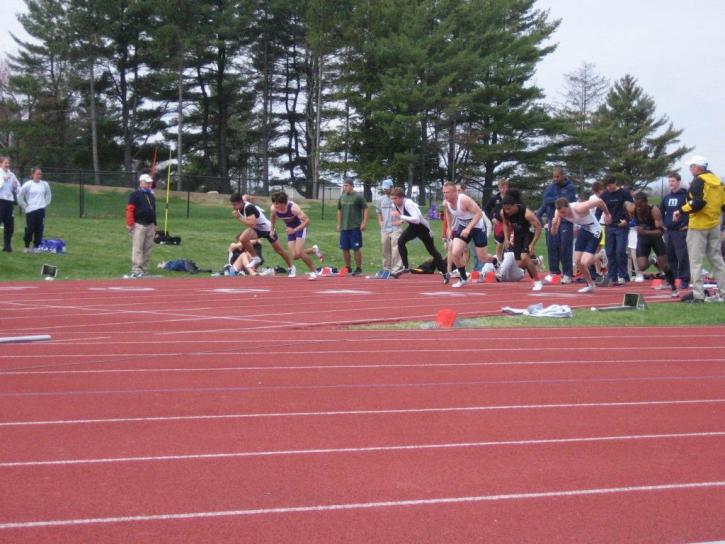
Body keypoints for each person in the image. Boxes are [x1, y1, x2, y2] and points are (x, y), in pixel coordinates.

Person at [674, 155, 725, 303]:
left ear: (698, 167)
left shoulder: (698, 181)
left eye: (692, 166)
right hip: (715, 224)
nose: (690, 169)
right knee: (717, 260)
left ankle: (698, 295)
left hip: (698, 226)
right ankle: (723, 292)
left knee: (696, 261)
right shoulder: (718, 182)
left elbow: (698, 203)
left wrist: (680, 210)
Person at [552, 196, 611, 293]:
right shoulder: (558, 213)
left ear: (568, 207)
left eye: (564, 212)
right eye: (560, 213)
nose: (562, 215)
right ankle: (590, 285)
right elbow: (554, 233)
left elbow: (599, 201)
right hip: (584, 230)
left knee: (585, 262)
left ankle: (601, 254)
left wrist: (607, 214)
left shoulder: (579, 208)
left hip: (595, 230)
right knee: (578, 262)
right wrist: (554, 225)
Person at [230, 193, 296, 276]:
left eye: (235, 205)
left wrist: (239, 217)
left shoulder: (249, 208)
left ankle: (291, 267)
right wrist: (252, 197)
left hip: (267, 229)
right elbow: (245, 196)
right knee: (242, 239)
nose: (234, 207)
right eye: (232, 205)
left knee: (279, 250)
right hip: (257, 229)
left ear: (240, 202)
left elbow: (252, 224)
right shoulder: (242, 202)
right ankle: (255, 258)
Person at [626, 193, 678, 297]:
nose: (639, 208)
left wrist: (645, 232)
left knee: (665, 265)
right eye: (637, 205)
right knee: (641, 266)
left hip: (655, 238)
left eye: (640, 205)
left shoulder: (654, 211)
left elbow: (661, 231)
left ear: (646, 202)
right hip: (643, 239)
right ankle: (653, 260)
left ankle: (673, 287)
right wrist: (629, 221)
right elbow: (625, 204)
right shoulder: (632, 208)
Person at [389, 187, 447, 280]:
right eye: (392, 198)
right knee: (400, 241)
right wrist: (401, 221)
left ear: (401, 198)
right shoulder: (394, 205)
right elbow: (408, 216)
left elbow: (417, 219)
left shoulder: (408, 203)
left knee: (432, 251)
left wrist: (400, 216)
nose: (393, 201)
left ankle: (445, 272)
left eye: (395, 198)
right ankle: (406, 267)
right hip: (413, 227)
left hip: (423, 228)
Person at [442, 181, 492, 288]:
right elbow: (448, 213)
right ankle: (464, 278)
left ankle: (495, 261)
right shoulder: (446, 202)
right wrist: (450, 228)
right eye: (444, 192)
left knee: (483, 257)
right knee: (455, 252)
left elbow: (478, 213)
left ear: (455, 192)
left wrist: (469, 228)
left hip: (477, 226)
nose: (445, 195)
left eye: (448, 192)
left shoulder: (464, 200)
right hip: (463, 226)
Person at [269, 191, 323, 277]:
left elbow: (307, 221)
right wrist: (272, 229)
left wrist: (295, 230)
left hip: (300, 227)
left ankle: (315, 271)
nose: (275, 206)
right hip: (290, 230)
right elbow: (272, 216)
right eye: (274, 203)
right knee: (295, 256)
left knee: (300, 252)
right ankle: (313, 250)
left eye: (277, 204)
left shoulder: (293, 208)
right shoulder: (273, 208)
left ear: (284, 203)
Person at [539, 166, 576, 283]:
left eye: (557, 176)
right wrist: (558, 199)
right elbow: (546, 201)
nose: (555, 179)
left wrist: (555, 200)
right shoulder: (550, 188)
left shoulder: (570, 187)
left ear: (563, 176)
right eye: (554, 177)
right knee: (552, 246)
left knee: (565, 247)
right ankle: (554, 272)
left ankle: (567, 273)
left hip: (566, 221)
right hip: (552, 220)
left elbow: (568, 201)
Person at [500, 194, 544, 291]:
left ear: (515, 205)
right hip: (518, 235)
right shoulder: (504, 213)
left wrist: (533, 244)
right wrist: (506, 239)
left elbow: (538, 227)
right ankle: (537, 261)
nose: (507, 211)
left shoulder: (527, 213)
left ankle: (537, 281)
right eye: (505, 209)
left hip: (528, 233)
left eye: (509, 209)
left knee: (524, 256)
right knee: (519, 264)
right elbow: (505, 224)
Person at [599, 175, 633, 286]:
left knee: (620, 251)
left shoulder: (624, 194)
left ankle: (623, 275)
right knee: (610, 252)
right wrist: (596, 222)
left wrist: (627, 221)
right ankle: (612, 276)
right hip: (609, 226)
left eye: (610, 185)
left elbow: (632, 209)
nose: (608, 188)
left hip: (621, 226)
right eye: (606, 186)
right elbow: (599, 209)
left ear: (615, 183)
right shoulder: (604, 195)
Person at [125, 171, 157, 278]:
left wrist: (155, 224)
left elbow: (153, 210)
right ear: (141, 182)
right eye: (147, 182)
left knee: (148, 247)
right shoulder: (135, 194)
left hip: (150, 225)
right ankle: (136, 268)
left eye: (149, 183)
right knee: (138, 247)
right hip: (139, 224)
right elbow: (130, 209)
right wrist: (130, 223)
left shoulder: (151, 195)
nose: (149, 184)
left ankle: (144, 268)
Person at [661, 172, 690, 288]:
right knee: (669, 256)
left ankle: (684, 280)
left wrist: (687, 223)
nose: (671, 183)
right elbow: (660, 211)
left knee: (682, 256)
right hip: (668, 231)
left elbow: (691, 211)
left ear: (678, 182)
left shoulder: (685, 196)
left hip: (680, 231)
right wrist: (662, 224)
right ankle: (671, 280)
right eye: (669, 181)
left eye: (673, 181)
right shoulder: (666, 197)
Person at [336, 177, 368, 276]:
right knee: (345, 248)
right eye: (344, 186)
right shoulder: (342, 197)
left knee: (356, 248)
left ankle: (358, 268)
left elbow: (366, 208)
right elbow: (339, 210)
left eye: (346, 185)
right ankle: (348, 267)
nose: (344, 187)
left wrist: (364, 223)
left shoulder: (358, 196)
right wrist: (339, 223)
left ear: (351, 186)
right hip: (344, 227)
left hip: (355, 227)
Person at [17, 167, 52, 253]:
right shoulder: (28, 184)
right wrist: (25, 206)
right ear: (33, 175)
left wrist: (45, 204)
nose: (39, 175)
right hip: (30, 211)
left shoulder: (45, 184)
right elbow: (19, 195)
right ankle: (26, 246)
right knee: (30, 229)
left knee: (39, 229)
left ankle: (36, 246)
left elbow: (49, 195)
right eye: (37, 174)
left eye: (40, 174)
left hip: (41, 210)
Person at [375, 179, 403, 277]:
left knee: (396, 248)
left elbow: (404, 212)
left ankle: (397, 268)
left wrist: (401, 221)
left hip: (395, 227)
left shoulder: (397, 199)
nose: (385, 190)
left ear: (392, 187)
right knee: (385, 248)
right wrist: (380, 222)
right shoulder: (380, 200)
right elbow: (378, 212)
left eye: (387, 188)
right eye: (384, 188)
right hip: (385, 228)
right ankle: (386, 268)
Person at [484, 178, 510, 261]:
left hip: (510, 224)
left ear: (507, 187)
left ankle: (509, 260)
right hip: (499, 224)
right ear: (498, 188)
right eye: (501, 188)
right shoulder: (495, 198)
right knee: (499, 244)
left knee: (509, 243)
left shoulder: (511, 197)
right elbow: (487, 209)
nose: (503, 189)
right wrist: (492, 218)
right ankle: (499, 261)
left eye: (504, 187)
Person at [0, 157, 20, 252]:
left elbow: (17, 187)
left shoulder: (12, 174)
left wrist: (15, 187)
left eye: (8, 163)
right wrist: (3, 180)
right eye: (5, 163)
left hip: (9, 202)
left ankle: (7, 247)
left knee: (9, 226)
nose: (7, 165)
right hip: (0, 201)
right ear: (1, 164)